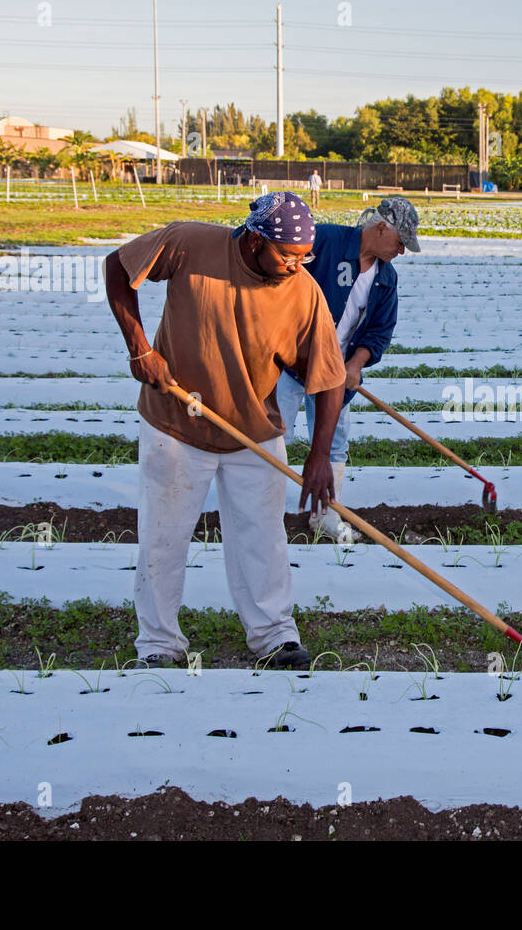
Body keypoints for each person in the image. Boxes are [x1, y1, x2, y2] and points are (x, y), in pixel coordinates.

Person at [103, 191, 346, 669]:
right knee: (164, 536)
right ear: (256, 239)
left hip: (253, 431)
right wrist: (139, 348)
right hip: (175, 423)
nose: (298, 265)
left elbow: (330, 379)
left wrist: (319, 457)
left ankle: (275, 635)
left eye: (305, 257)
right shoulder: (189, 244)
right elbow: (118, 266)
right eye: (288, 255)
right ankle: (158, 644)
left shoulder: (303, 293)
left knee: (263, 537)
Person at [274, 196, 420, 538]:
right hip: (291, 363)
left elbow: (380, 330)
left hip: (335, 372)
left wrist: (356, 363)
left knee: (334, 445)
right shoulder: (325, 241)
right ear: (381, 228)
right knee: (274, 434)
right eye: (400, 242)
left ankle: (323, 516)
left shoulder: (387, 279)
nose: (400, 251)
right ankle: (264, 513)